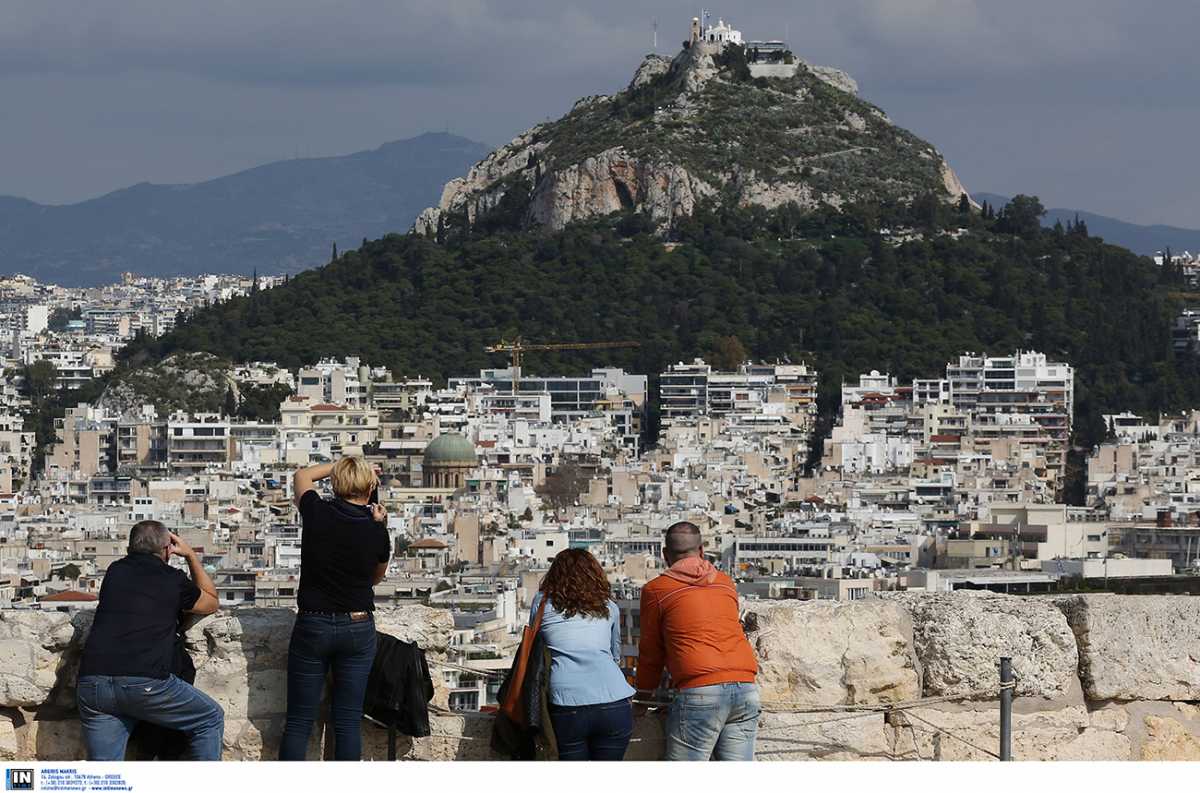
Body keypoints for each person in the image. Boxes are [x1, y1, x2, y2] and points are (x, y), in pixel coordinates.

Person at [76, 520, 223, 761]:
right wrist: (190, 557)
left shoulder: (114, 571)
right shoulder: (172, 578)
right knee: (210, 718)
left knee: (104, 773)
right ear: (167, 549)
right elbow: (210, 602)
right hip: (145, 684)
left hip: (93, 685)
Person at [279, 457, 390, 761]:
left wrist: (340, 465)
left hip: (313, 625)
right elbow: (375, 578)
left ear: (337, 483)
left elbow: (302, 474)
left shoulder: (316, 511)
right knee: (348, 721)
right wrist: (377, 525)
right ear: (371, 487)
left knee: (299, 722)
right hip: (357, 625)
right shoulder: (377, 528)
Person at [635, 521, 759, 761]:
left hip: (700, 691)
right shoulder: (725, 582)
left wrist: (643, 697)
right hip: (745, 686)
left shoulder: (657, 590)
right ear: (702, 551)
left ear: (664, 555)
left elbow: (651, 652)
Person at [530, 549, 636, 761]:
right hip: (614, 701)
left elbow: (533, 646)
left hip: (566, 703)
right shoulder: (609, 606)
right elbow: (615, 655)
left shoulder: (542, 603)